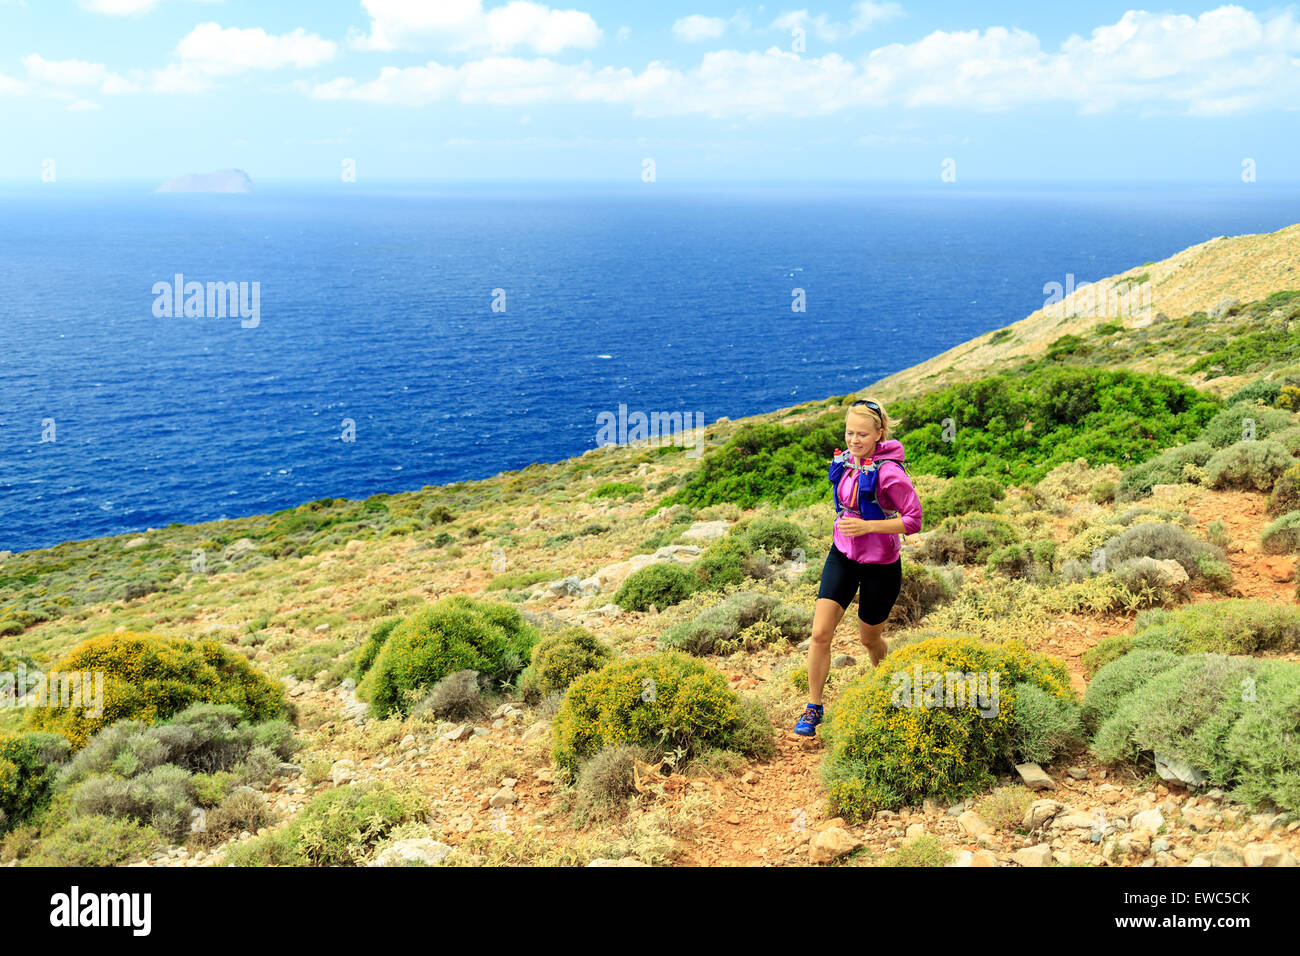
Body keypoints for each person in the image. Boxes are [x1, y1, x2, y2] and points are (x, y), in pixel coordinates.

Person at [794, 397, 922, 738]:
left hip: (881, 565)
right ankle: (814, 706)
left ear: (879, 434)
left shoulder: (890, 473)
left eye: (862, 435)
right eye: (850, 433)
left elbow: (914, 520)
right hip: (842, 557)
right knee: (820, 633)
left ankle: (890, 691)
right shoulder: (848, 463)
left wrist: (869, 527)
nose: (854, 440)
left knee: (870, 640)